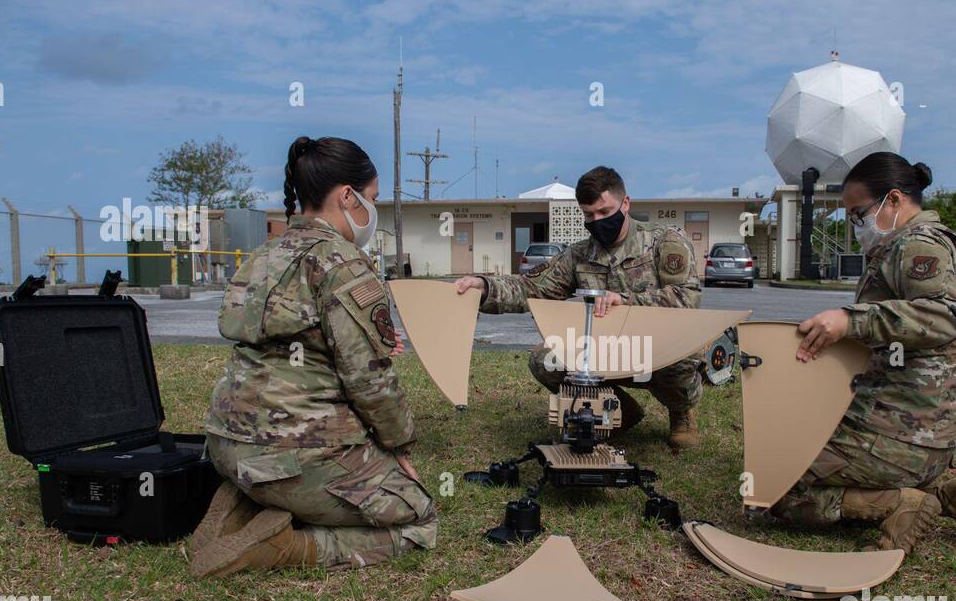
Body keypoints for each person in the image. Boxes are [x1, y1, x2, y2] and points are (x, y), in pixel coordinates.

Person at [189, 136, 437, 577]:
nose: (371, 212)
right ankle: (285, 547)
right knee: (419, 518)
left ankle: (246, 498)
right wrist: (400, 445)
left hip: (224, 444)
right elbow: (370, 380)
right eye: (371, 199)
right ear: (347, 196)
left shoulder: (264, 256)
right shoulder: (344, 262)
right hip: (293, 454)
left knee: (291, 473)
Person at [768, 151, 956, 553]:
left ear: (894, 200)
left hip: (897, 433)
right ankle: (947, 491)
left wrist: (852, 321)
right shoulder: (921, 243)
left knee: (776, 482)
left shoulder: (916, 245)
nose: (854, 224)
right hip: (925, 435)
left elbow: (944, 317)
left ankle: (903, 503)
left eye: (859, 212)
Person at [454, 165, 704, 449]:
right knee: (546, 359)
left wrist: (626, 301)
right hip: (607, 347)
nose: (597, 221)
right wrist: (484, 287)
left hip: (657, 347)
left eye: (605, 212)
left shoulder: (665, 241)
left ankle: (681, 412)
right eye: (589, 215)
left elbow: (687, 298)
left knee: (682, 361)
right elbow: (532, 288)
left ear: (626, 203)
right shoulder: (579, 255)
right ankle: (620, 410)